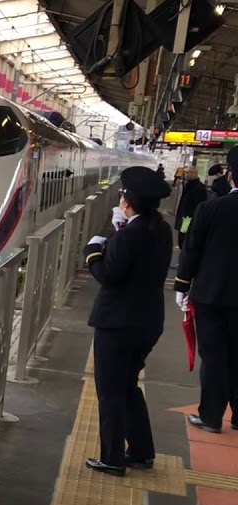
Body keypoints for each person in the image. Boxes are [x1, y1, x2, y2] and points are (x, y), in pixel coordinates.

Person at [83, 166, 175, 476]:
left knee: (110, 391)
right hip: (148, 321)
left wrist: (93, 251)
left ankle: (112, 458)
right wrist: (118, 234)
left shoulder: (129, 235)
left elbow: (109, 275)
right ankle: (141, 452)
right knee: (128, 386)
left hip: (117, 324)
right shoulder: (162, 230)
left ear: (128, 201)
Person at [175, 145, 238, 433]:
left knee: (214, 356)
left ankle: (211, 416)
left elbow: (191, 250)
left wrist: (182, 285)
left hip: (211, 296)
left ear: (231, 176)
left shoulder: (211, 209)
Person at [175, 165, 208, 248]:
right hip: (185, 217)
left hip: (188, 218)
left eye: (188, 173)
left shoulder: (198, 188)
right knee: (182, 238)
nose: (186, 175)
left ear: (195, 173)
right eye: (185, 173)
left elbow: (199, 205)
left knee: (185, 240)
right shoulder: (188, 185)